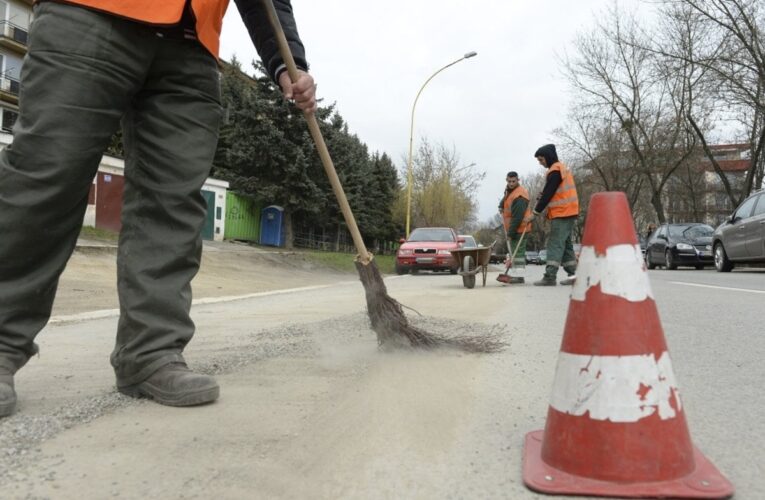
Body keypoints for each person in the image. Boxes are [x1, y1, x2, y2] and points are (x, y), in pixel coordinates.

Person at [0, 0, 317, 418]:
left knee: (173, 203)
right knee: (44, 177)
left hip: (191, 43)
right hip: (88, 13)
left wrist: (286, 62)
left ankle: (150, 352)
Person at [528, 144, 579, 286]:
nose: (540, 162)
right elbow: (550, 191)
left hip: (562, 212)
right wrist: (543, 194)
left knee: (555, 243)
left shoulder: (555, 170)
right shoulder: (560, 169)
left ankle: (550, 276)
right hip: (568, 211)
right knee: (566, 244)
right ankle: (574, 275)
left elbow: (548, 194)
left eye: (541, 159)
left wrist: (535, 212)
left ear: (548, 157)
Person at [497, 171, 532, 284]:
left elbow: (517, 218)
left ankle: (519, 276)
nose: (511, 183)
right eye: (509, 181)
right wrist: (501, 205)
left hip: (520, 228)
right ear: (506, 180)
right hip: (514, 229)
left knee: (518, 254)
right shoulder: (510, 191)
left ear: (518, 180)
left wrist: (510, 234)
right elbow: (506, 199)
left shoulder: (519, 196)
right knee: (514, 253)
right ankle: (515, 274)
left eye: (513, 181)